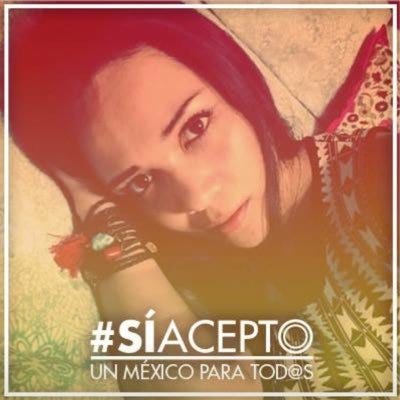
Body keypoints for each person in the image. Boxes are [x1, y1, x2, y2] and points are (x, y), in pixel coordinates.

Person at [10, 8, 393, 396]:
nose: (196, 197)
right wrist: (96, 208)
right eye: (141, 181)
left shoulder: (377, 176)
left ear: (233, 81)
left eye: (196, 127)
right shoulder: (181, 265)